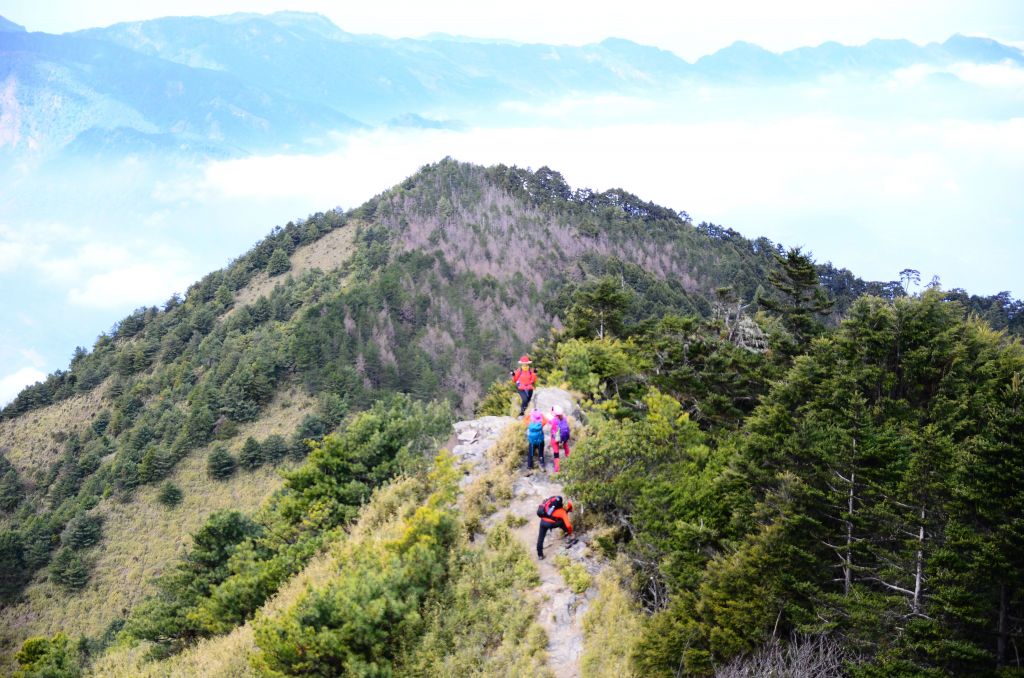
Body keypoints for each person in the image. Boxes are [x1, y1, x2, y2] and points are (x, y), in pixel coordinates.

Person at [549, 405, 571, 473]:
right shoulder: (564, 418)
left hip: (555, 439)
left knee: (556, 453)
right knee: (566, 447)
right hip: (564, 438)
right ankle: (570, 459)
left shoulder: (553, 420)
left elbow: (550, 425)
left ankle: (557, 469)